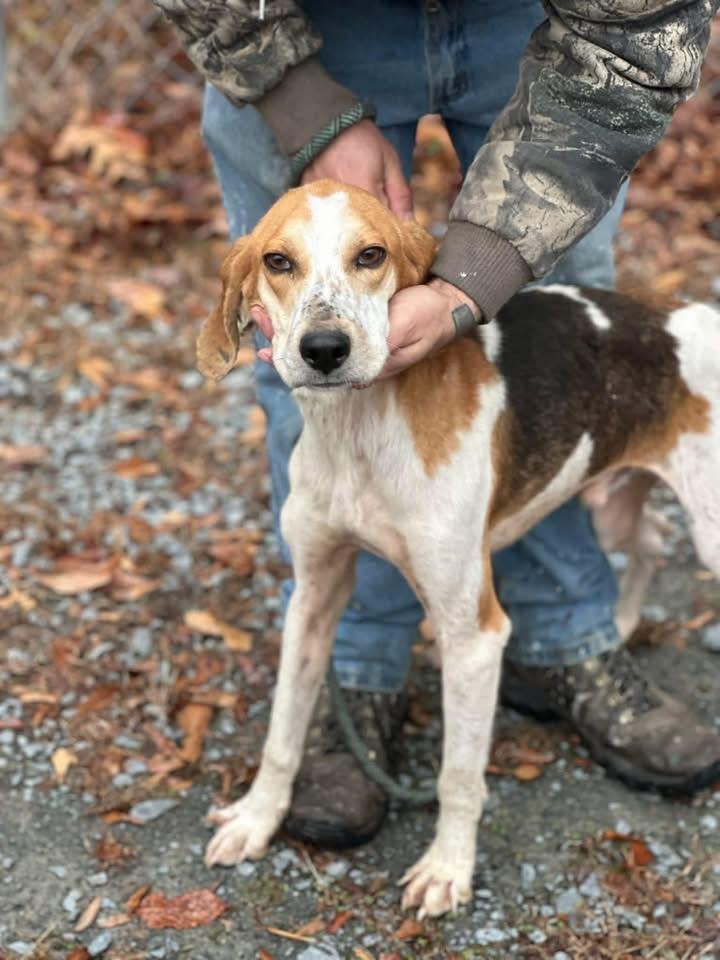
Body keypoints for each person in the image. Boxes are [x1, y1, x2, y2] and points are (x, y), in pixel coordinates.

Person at [156, 0, 720, 847]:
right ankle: (361, 681)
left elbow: (637, 40)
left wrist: (465, 287)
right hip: (297, 20)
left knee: (563, 297)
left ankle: (570, 643)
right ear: (244, 293)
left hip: (544, 33)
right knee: (306, 407)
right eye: (278, 266)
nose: (325, 319)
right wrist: (299, 96)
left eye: (370, 260)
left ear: (407, 271)